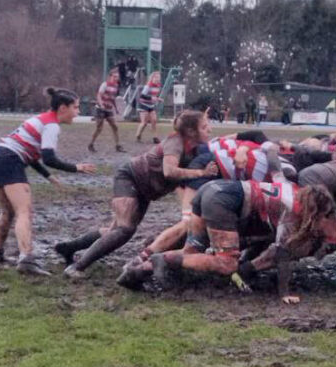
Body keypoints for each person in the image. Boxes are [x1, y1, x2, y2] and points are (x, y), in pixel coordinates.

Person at [55, 110, 216, 278]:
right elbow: (169, 171)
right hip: (129, 178)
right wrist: (200, 173)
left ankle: (69, 247)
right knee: (125, 229)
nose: (209, 130)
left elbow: (183, 185)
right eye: (204, 127)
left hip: (144, 190)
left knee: (115, 230)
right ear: (190, 131)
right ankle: (76, 267)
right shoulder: (176, 142)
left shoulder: (195, 150)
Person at [123, 180, 336, 304]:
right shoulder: (292, 210)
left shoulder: (293, 191)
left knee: (191, 251)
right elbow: (282, 253)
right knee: (227, 263)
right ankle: (163, 257)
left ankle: (138, 272)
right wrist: (284, 292)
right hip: (224, 200)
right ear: (315, 208)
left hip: (212, 190)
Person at [0, 88, 96, 275]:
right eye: (76, 108)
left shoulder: (42, 119)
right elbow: (49, 158)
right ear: (63, 107)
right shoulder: (52, 125)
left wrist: (48, 176)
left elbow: (29, 151)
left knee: (9, 212)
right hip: (8, 159)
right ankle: (26, 259)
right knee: (24, 212)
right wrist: (76, 167)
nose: (78, 112)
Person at [88, 68, 125, 153]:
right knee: (99, 128)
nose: (116, 78)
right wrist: (101, 104)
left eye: (117, 77)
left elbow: (112, 98)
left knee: (115, 127)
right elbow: (99, 95)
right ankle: (91, 144)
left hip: (108, 109)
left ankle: (118, 146)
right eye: (115, 76)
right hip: (100, 109)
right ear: (110, 76)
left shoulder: (116, 86)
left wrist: (116, 109)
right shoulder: (105, 84)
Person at [135, 71, 162, 144]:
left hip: (151, 105)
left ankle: (155, 137)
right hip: (143, 105)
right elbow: (142, 95)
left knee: (154, 120)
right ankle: (138, 135)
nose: (157, 79)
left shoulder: (158, 86)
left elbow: (154, 96)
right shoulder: (148, 86)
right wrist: (151, 98)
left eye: (159, 77)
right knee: (144, 123)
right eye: (156, 77)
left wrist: (157, 98)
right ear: (152, 78)